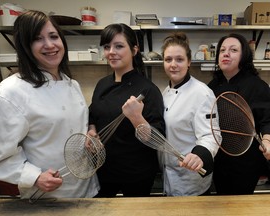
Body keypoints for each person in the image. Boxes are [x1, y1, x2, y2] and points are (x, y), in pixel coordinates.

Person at [0, 10, 99, 199]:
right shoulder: (10, 92)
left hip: (86, 189)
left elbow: (71, 127)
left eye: (54, 36)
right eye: (38, 39)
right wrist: (35, 177)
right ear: (25, 47)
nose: (50, 45)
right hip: (46, 197)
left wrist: (88, 133)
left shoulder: (72, 84)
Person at [87, 23, 165, 197]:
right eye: (107, 47)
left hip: (136, 175)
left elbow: (158, 140)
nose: (111, 52)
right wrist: (91, 131)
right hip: (103, 170)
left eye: (119, 46)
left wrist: (137, 118)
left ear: (134, 50)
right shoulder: (102, 84)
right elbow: (92, 114)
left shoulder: (148, 90)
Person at [208, 33, 270, 195]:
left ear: (244, 56)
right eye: (222, 50)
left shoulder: (257, 86)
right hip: (219, 159)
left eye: (233, 50)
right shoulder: (212, 87)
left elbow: (267, 120)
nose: (226, 53)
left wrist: (268, 140)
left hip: (246, 161)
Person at [159, 32, 219, 196]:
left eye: (179, 59)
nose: (173, 64)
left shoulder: (202, 93)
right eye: (168, 59)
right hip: (169, 176)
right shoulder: (166, 92)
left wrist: (199, 155)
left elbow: (212, 135)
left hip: (191, 178)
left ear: (189, 62)